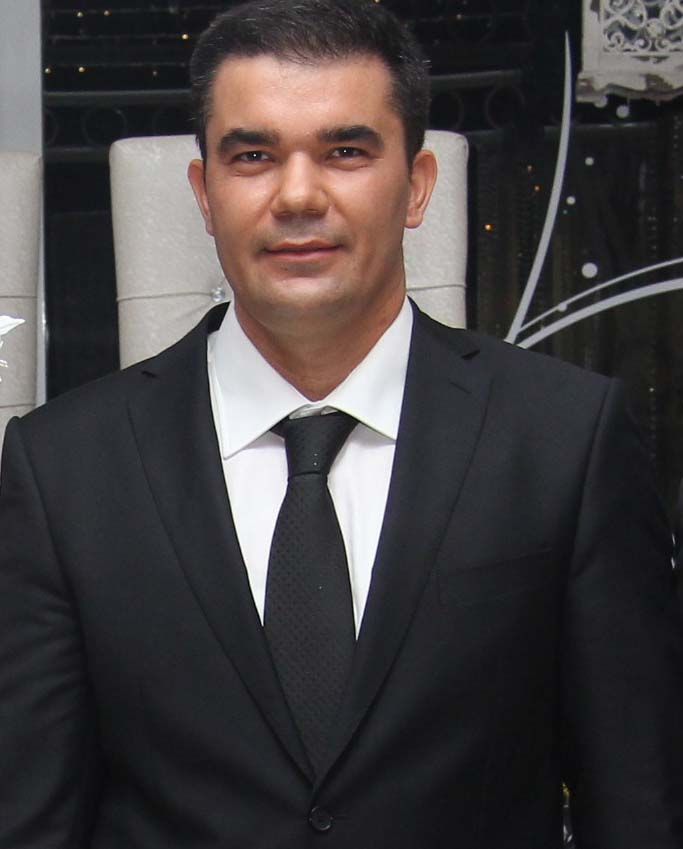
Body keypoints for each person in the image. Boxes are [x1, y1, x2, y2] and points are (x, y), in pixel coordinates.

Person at [1, 0, 682, 846]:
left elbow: (637, 804)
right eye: (253, 156)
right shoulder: (64, 470)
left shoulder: (562, 440)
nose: (297, 194)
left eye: (345, 152)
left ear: (417, 185)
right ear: (205, 193)